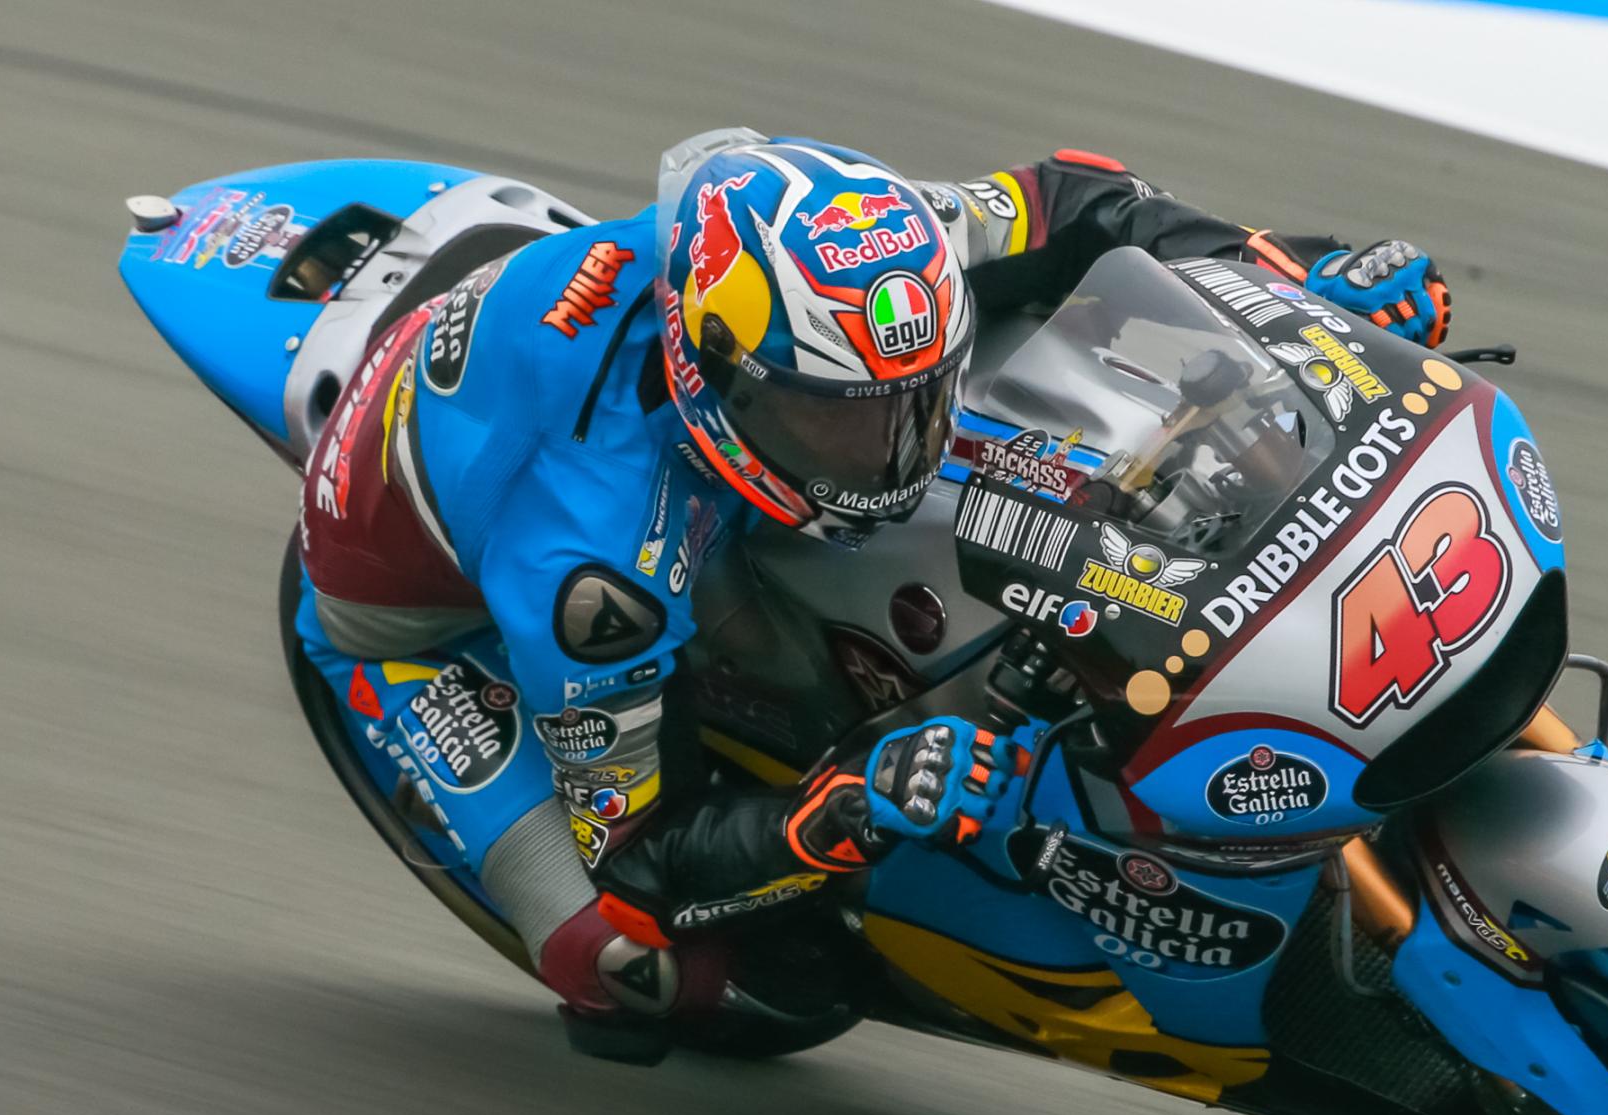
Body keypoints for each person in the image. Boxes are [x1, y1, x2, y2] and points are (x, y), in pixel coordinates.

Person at [292, 128, 1455, 1064]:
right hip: (414, 624)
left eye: (915, 398)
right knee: (643, 960)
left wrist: (1278, 275)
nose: (893, 450)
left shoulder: (865, 245)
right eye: (835, 419)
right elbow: (642, 856)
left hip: (610, 420)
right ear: (717, 377)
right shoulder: (592, 569)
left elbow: (1073, 202)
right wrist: (841, 807)